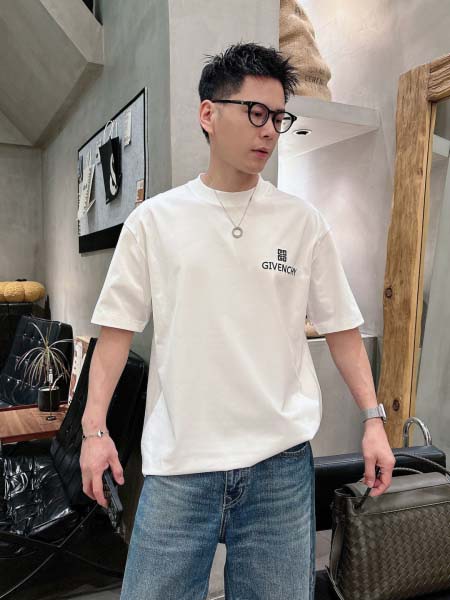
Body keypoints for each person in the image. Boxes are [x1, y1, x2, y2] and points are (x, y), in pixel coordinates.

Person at [80, 41, 395, 600]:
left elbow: (342, 328)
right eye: (255, 113)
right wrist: (94, 430)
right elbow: (115, 335)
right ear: (209, 113)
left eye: (278, 117)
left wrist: (373, 420)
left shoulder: (303, 222)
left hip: (279, 469)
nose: (270, 131)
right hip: (180, 465)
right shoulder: (154, 221)